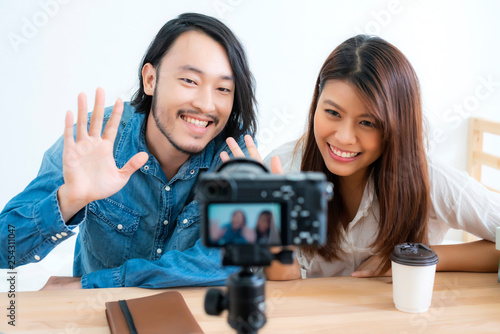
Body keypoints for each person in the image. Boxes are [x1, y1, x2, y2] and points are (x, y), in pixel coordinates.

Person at [0, 13, 257, 289]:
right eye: (189, 81)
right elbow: (6, 246)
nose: (206, 105)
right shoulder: (95, 139)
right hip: (98, 317)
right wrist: (69, 200)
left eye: (222, 88)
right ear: (150, 80)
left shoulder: (233, 152)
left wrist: (98, 283)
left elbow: (232, 261)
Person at [223, 35, 500, 280]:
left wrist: (416, 257)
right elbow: (286, 283)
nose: (344, 137)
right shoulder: (283, 168)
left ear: (397, 126)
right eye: (332, 113)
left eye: (367, 123)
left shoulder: (429, 179)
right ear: (315, 105)